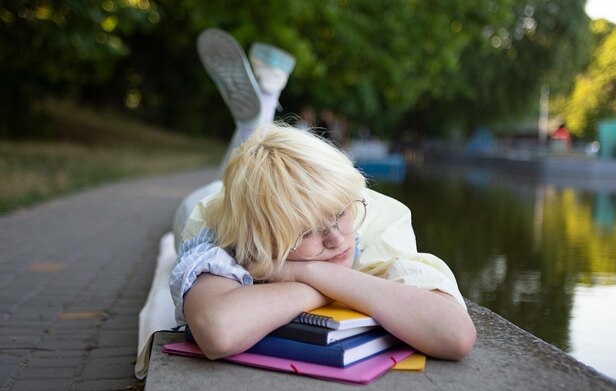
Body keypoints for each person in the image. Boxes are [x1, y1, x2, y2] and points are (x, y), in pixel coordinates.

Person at [170, 29, 476, 362]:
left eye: (339, 214)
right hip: (210, 202)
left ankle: (256, 124)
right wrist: (327, 286)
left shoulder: (374, 222)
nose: (336, 239)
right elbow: (219, 330)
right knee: (227, 181)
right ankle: (255, 126)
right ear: (266, 243)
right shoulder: (222, 233)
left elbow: (456, 336)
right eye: (306, 233)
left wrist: (308, 272)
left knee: (249, 169)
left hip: (275, 204)